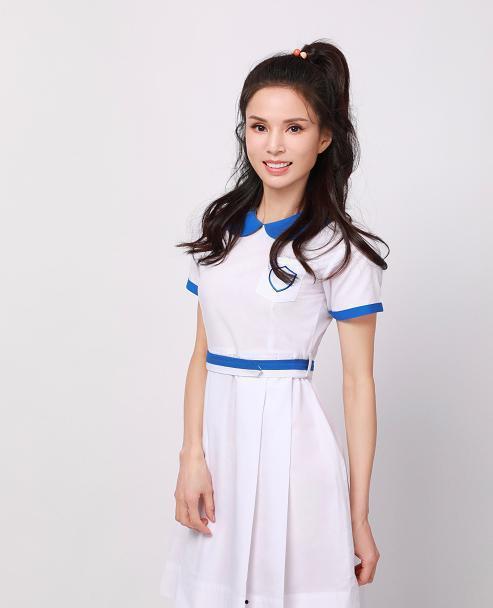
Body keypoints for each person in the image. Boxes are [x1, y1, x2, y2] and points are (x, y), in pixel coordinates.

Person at [160, 39, 389, 608]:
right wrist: (191, 457)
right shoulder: (219, 233)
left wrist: (358, 515)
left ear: (325, 137)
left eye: (294, 128)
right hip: (219, 449)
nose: (274, 145)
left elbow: (358, 384)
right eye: (259, 127)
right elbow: (200, 357)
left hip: (294, 448)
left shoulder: (339, 250)